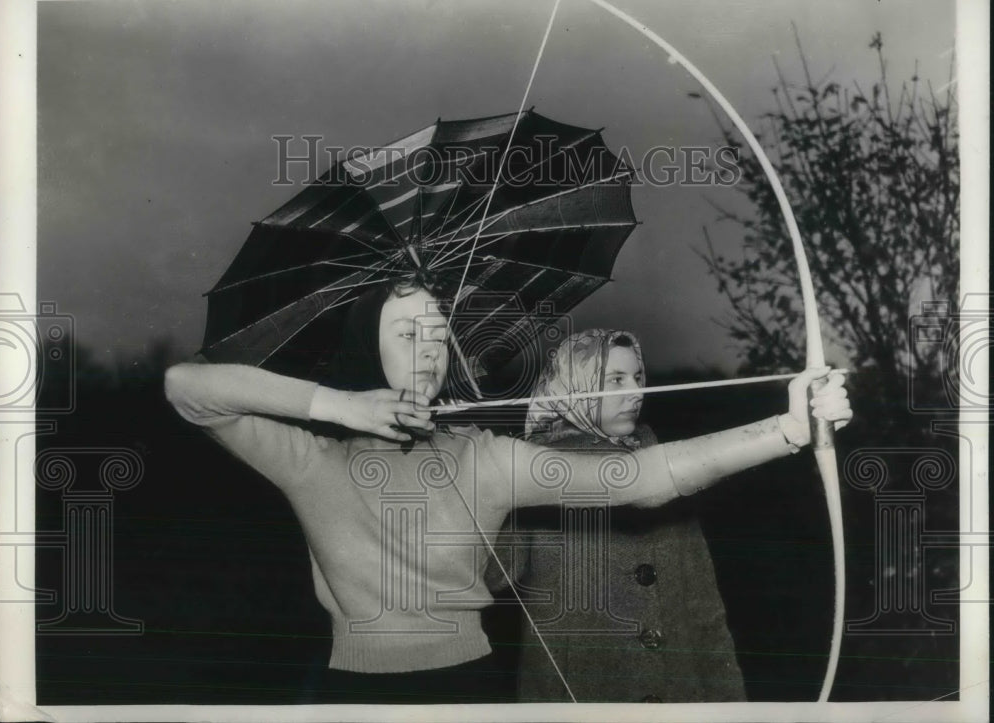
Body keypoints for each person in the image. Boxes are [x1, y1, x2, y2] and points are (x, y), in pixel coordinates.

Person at [164, 277, 852, 703]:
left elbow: (640, 477)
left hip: (470, 688)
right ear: (365, 348)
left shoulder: (484, 457)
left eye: (440, 332)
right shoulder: (309, 458)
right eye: (408, 332)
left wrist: (788, 429)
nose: (432, 346)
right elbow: (186, 387)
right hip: (353, 694)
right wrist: (335, 405)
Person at [488, 329, 761, 702]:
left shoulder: (671, 471)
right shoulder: (533, 474)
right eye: (615, 379)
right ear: (576, 386)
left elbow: (705, 613)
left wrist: (732, 708)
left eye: (637, 378)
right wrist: (475, 480)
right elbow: (483, 576)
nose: (635, 392)